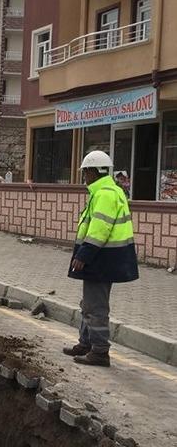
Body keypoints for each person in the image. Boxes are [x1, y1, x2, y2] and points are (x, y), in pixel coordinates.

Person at [63, 151, 138, 367]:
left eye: (85, 172)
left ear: (93, 172)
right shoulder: (106, 191)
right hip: (105, 257)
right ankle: (86, 343)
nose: (84, 177)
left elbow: (100, 229)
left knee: (95, 306)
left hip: (102, 258)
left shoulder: (105, 194)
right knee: (89, 303)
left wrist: (84, 254)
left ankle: (99, 351)